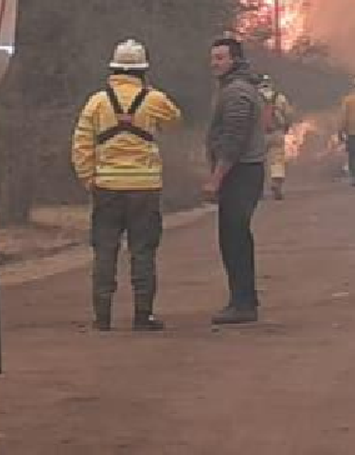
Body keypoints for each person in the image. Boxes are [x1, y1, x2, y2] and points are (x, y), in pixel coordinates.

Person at [70, 38, 182, 332]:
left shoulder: (96, 102)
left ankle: (102, 317)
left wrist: (88, 178)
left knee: (105, 250)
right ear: (143, 70)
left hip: (106, 187)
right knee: (142, 251)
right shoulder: (154, 99)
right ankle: (142, 316)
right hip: (145, 189)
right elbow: (175, 120)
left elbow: (81, 143)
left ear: (114, 68)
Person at [203, 35, 267, 325]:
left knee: (235, 237)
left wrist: (216, 178)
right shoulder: (234, 88)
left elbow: (234, 141)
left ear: (235, 60)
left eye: (220, 58)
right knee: (234, 236)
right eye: (213, 57)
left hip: (241, 171)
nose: (214, 63)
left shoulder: (237, 92)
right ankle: (243, 300)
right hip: (242, 171)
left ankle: (242, 304)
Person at [257, 75, 294, 201]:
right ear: (270, 83)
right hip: (277, 132)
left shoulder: (254, 98)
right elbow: (288, 114)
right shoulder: (279, 97)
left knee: (258, 162)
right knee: (277, 160)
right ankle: (276, 185)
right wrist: (287, 127)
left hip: (258, 135)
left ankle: (258, 190)